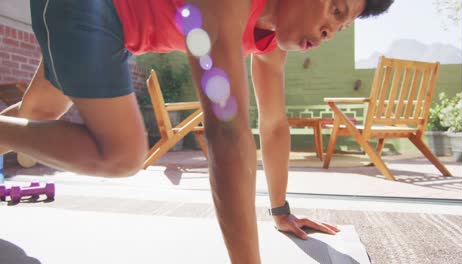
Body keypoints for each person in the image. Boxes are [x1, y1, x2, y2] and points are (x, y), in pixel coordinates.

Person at [0, 0, 393, 263]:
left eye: (342, 26)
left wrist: (280, 210)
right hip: (89, 8)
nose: (330, 30)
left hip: (117, 34)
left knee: (36, 115)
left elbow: (273, 125)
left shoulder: (271, 42)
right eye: (336, 9)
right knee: (120, 153)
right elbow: (227, 134)